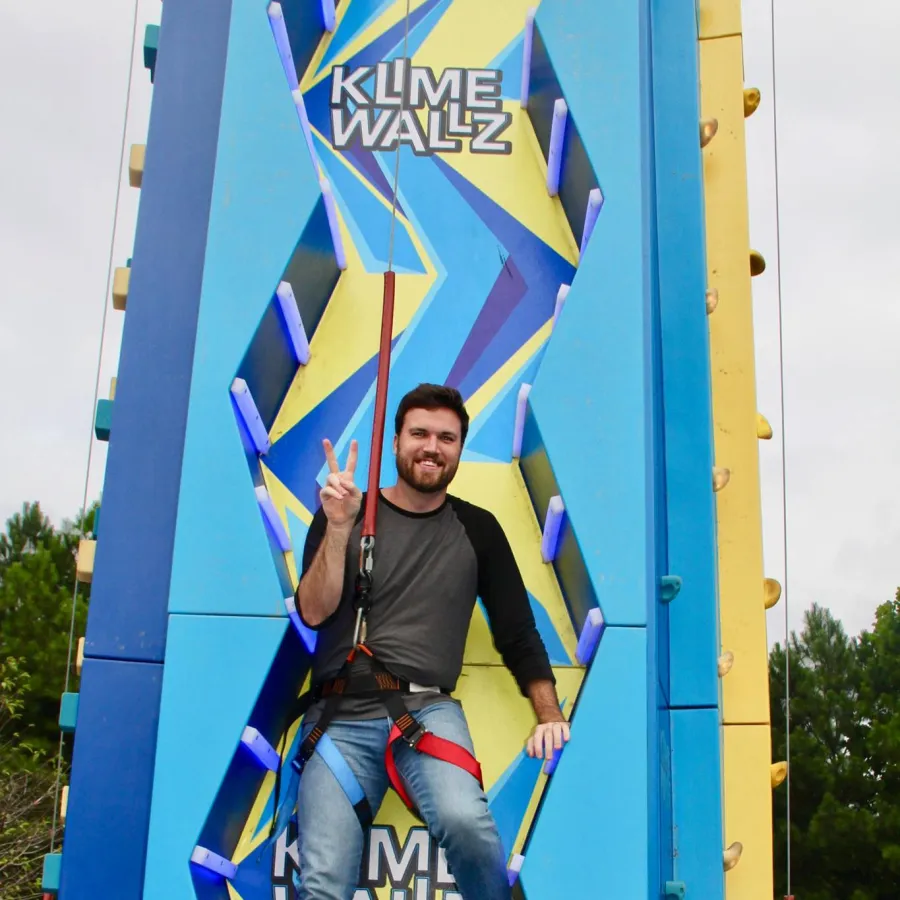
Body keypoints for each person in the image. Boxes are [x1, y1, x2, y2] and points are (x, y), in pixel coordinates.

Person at [292, 383, 570, 900]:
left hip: (425, 711)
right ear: (396, 441)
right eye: (419, 432)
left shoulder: (478, 530)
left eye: (447, 437)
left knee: (466, 823)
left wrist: (549, 714)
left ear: (459, 449)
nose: (432, 447)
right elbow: (313, 611)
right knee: (323, 884)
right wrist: (337, 528)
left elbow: (517, 632)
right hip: (338, 718)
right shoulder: (346, 514)